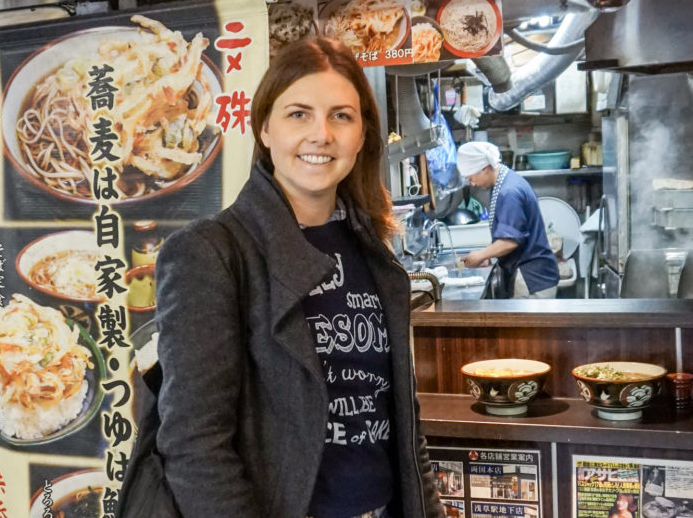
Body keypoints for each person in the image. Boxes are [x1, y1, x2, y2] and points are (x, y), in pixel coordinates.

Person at [152, 38, 444, 517]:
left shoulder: (372, 251)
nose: (321, 134)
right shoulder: (211, 252)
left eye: (341, 116)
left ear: (362, 135)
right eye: (298, 114)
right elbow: (193, 446)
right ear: (264, 128)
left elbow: (402, 424)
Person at [457, 141, 559, 298]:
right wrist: (489, 253)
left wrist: (481, 255)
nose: (473, 184)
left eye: (471, 178)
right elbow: (506, 230)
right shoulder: (502, 182)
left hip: (531, 278)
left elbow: (510, 241)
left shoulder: (508, 192)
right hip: (530, 274)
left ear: (484, 169)